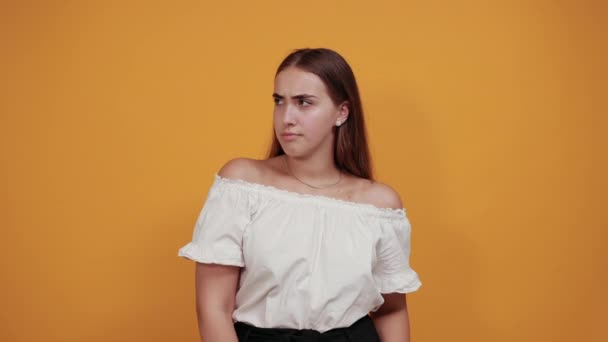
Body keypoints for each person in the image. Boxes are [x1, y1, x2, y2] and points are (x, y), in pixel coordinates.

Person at [178, 47, 422, 342]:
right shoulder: (242, 185)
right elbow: (213, 307)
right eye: (279, 101)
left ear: (341, 113)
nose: (286, 117)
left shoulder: (379, 207)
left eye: (304, 103)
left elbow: (391, 311)